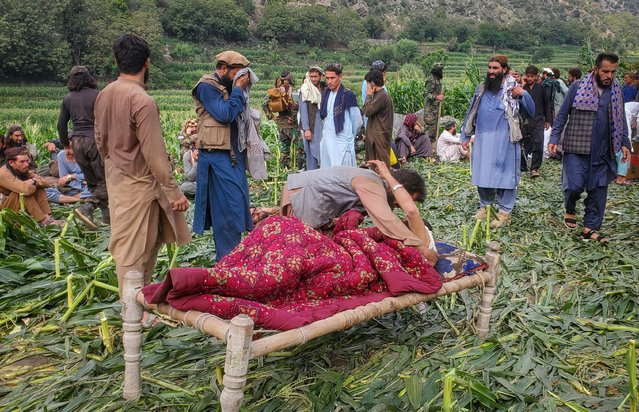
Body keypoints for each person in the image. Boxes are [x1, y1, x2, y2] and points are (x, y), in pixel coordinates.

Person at [94, 34, 191, 296]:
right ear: (147, 62)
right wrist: (174, 193)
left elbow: (99, 141)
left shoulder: (104, 95)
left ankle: (138, 304)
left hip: (117, 179)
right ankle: (131, 313)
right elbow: (155, 155)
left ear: (117, 61)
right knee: (135, 251)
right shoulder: (142, 101)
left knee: (142, 245)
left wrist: (115, 164)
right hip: (140, 185)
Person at [279, 161, 438, 264]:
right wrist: (420, 248)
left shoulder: (374, 183)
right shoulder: (372, 184)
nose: (399, 205)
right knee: (303, 254)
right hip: (300, 196)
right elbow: (386, 219)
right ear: (398, 186)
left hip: (302, 194)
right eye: (402, 199)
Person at [548, 52, 631, 241]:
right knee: (574, 187)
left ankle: (590, 227)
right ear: (596, 70)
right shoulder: (578, 87)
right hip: (577, 148)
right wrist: (554, 138)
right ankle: (570, 208)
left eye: (613, 72)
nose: (609, 76)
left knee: (598, 189)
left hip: (604, 150)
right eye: (605, 71)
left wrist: (625, 142)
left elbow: (621, 119)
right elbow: (562, 115)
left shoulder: (616, 91)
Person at [460, 54, 534, 229]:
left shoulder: (513, 90)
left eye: (496, 68)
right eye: (490, 68)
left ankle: (504, 211)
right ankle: (486, 207)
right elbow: (471, 111)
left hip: (505, 141)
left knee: (505, 176)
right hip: (483, 140)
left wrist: (524, 95)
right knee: (482, 174)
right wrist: (464, 135)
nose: (492, 72)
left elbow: (531, 111)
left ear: (505, 70)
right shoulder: (482, 88)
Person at [191, 50, 253, 260]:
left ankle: (232, 258)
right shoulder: (207, 87)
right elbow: (224, 114)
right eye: (238, 73)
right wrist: (237, 90)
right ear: (224, 69)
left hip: (231, 156)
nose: (242, 78)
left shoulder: (227, 87)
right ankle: (226, 261)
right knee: (226, 209)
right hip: (216, 158)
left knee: (236, 206)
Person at [57, 65, 109, 229]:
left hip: (77, 142)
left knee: (93, 182)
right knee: (106, 181)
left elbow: (61, 124)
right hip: (94, 140)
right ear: (89, 78)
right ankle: (87, 207)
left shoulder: (68, 98)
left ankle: (107, 218)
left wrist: (66, 146)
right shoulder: (98, 95)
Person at [0, 147, 63, 227]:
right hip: (5, 211)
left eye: (27, 161)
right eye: (22, 162)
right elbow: (25, 190)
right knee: (23, 193)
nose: (26, 164)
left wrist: (34, 181)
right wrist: (33, 181)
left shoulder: (22, 169)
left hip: (18, 205)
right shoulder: (3, 174)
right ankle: (43, 220)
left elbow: (45, 184)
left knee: (38, 187)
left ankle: (47, 216)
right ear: (11, 162)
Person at [319, 63, 362, 168]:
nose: (329, 81)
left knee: (342, 173)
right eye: (327, 78)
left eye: (332, 78)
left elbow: (357, 122)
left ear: (340, 77)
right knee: (327, 171)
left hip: (342, 141)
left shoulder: (348, 95)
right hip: (327, 139)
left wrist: (348, 137)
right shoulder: (325, 93)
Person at [263, 70, 300, 169]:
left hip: (281, 124)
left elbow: (264, 104)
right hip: (292, 125)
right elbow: (296, 106)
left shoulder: (276, 91)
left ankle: (285, 170)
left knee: (284, 150)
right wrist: (292, 118)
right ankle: (301, 169)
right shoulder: (293, 91)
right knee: (300, 149)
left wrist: (271, 116)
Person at [521, 65, 552, 177]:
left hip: (538, 119)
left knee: (538, 142)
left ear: (536, 76)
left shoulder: (541, 88)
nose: (529, 78)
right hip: (525, 121)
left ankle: (534, 168)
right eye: (528, 76)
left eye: (532, 76)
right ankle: (522, 166)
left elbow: (547, 104)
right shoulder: (522, 90)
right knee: (524, 144)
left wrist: (548, 120)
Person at [362, 68, 394, 168]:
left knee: (380, 166)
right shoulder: (378, 95)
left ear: (372, 83)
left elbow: (367, 111)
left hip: (379, 137)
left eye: (367, 83)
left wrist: (368, 95)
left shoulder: (382, 96)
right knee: (374, 165)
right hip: (376, 136)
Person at [298, 66, 325, 170]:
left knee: (324, 150)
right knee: (311, 151)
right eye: (311, 76)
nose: (313, 79)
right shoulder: (305, 89)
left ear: (321, 77)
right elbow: (303, 110)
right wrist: (306, 129)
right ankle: (312, 174)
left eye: (316, 76)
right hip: (311, 125)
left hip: (323, 123)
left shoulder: (324, 88)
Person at [361, 60, 388, 127]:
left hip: (375, 123)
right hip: (374, 124)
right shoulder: (370, 84)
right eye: (383, 72)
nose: (384, 74)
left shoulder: (372, 83)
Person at [424, 63, 445, 140]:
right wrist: (436, 97)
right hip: (430, 109)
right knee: (429, 128)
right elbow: (426, 94)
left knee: (434, 128)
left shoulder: (438, 80)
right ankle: (424, 145)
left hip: (435, 108)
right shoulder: (431, 80)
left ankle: (432, 146)